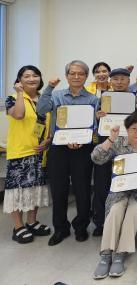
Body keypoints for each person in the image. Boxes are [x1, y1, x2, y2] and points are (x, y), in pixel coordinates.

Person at [91, 111, 137, 279]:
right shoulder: (118, 142)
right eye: (133, 129)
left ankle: (120, 254)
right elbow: (96, 158)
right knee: (115, 210)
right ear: (127, 129)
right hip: (121, 187)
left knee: (133, 210)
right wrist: (111, 138)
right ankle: (106, 254)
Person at [36, 60, 99, 246]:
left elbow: (94, 126)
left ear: (86, 76)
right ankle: (60, 228)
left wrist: (82, 139)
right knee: (59, 189)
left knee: (82, 189)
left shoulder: (93, 99)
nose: (76, 77)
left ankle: (81, 227)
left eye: (81, 74)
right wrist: (49, 87)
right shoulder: (56, 95)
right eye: (72, 73)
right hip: (59, 148)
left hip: (83, 148)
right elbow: (41, 110)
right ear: (67, 76)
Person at [92, 68, 137, 237]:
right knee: (101, 184)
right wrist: (98, 117)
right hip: (107, 143)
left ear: (128, 81)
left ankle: (121, 222)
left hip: (127, 146)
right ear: (110, 81)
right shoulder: (103, 97)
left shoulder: (134, 97)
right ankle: (100, 222)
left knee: (124, 184)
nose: (119, 82)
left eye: (123, 79)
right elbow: (95, 121)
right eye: (115, 79)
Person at [4, 66, 51, 244]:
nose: (32, 79)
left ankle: (32, 222)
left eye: (35, 75)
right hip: (20, 152)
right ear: (19, 80)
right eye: (27, 76)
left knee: (35, 189)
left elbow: (50, 124)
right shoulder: (12, 98)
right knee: (17, 190)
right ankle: (18, 226)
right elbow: (19, 115)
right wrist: (20, 94)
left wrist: (47, 141)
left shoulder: (45, 100)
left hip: (40, 152)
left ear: (40, 78)